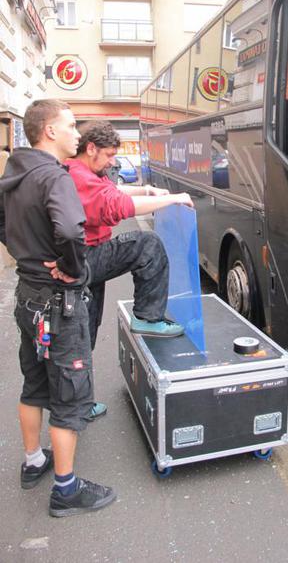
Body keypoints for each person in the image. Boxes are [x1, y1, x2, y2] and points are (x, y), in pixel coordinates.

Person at [0, 100, 116, 517]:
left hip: (27, 296)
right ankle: (65, 490)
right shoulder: (55, 176)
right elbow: (69, 229)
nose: (77, 134)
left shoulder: (14, 172)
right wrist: (73, 268)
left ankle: (34, 461)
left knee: (34, 383)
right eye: (70, 126)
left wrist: (26, 254)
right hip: (57, 303)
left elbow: (2, 222)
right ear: (49, 131)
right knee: (70, 394)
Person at [60, 121, 193, 357]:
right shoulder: (78, 176)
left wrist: (147, 190)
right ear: (91, 148)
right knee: (147, 244)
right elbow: (118, 205)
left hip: (86, 255)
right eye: (109, 155)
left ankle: (81, 377)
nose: (113, 162)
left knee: (86, 330)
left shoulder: (86, 172)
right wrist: (173, 199)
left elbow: (112, 190)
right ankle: (148, 318)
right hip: (86, 256)